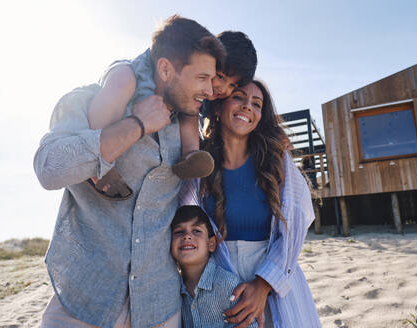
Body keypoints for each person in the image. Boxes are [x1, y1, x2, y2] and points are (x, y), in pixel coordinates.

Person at [34, 15, 225, 328]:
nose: (209, 88)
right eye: (202, 77)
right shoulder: (89, 100)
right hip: (84, 302)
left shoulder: (189, 124)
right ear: (165, 69)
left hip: (158, 308)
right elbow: (49, 170)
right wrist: (136, 125)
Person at [180, 80, 321, 327]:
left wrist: (264, 284)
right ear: (218, 107)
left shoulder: (277, 160)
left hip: (273, 278)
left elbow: (295, 228)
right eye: (239, 97)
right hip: (218, 280)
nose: (247, 107)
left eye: (256, 104)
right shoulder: (199, 162)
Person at [86, 31, 258, 199]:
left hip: (176, 99)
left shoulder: (211, 98)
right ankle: (99, 166)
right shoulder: (143, 75)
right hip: (139, 78)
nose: (223, 88)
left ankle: (191, 155)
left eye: (232, 86)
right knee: (119, 93)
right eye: (220, 76)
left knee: (190, 111)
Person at [170, 205, 258, 328]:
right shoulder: (173, 288)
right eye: (179, 232)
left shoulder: (226, 284)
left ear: (211, 244)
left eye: (196, 231)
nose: (187, 236)